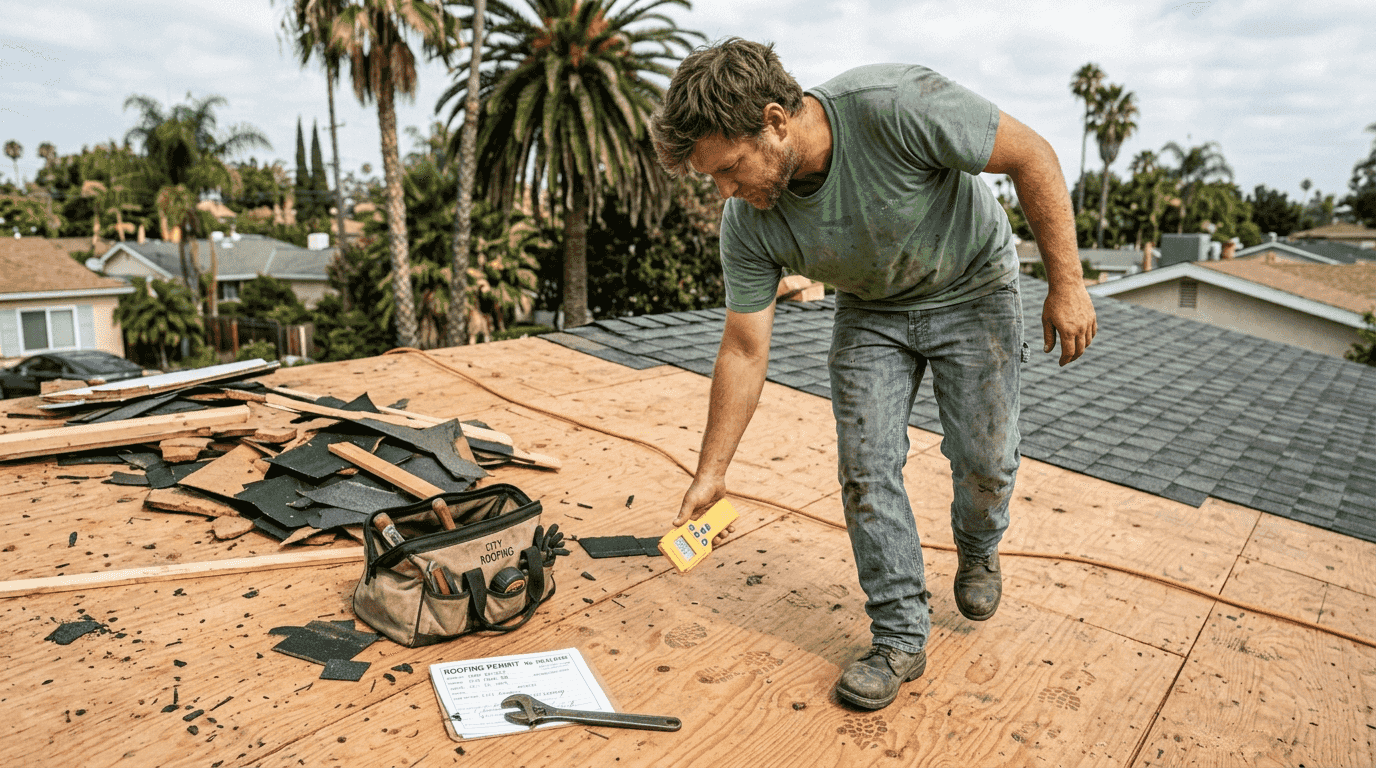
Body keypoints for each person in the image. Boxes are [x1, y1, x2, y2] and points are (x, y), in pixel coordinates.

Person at [650, 38, 1097, 710]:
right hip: (872, 314)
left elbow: (1032, 155)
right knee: (866, 468)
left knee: (987, 460)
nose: (724, 191)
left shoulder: (894, 105)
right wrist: (712, 471)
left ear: (775, 120)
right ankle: (898, 635)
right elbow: (743, 349)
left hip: (971, 286)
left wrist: (1066, 284)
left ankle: (978, 545)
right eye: (712, 178)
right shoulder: (747, 223)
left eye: (730, 168)